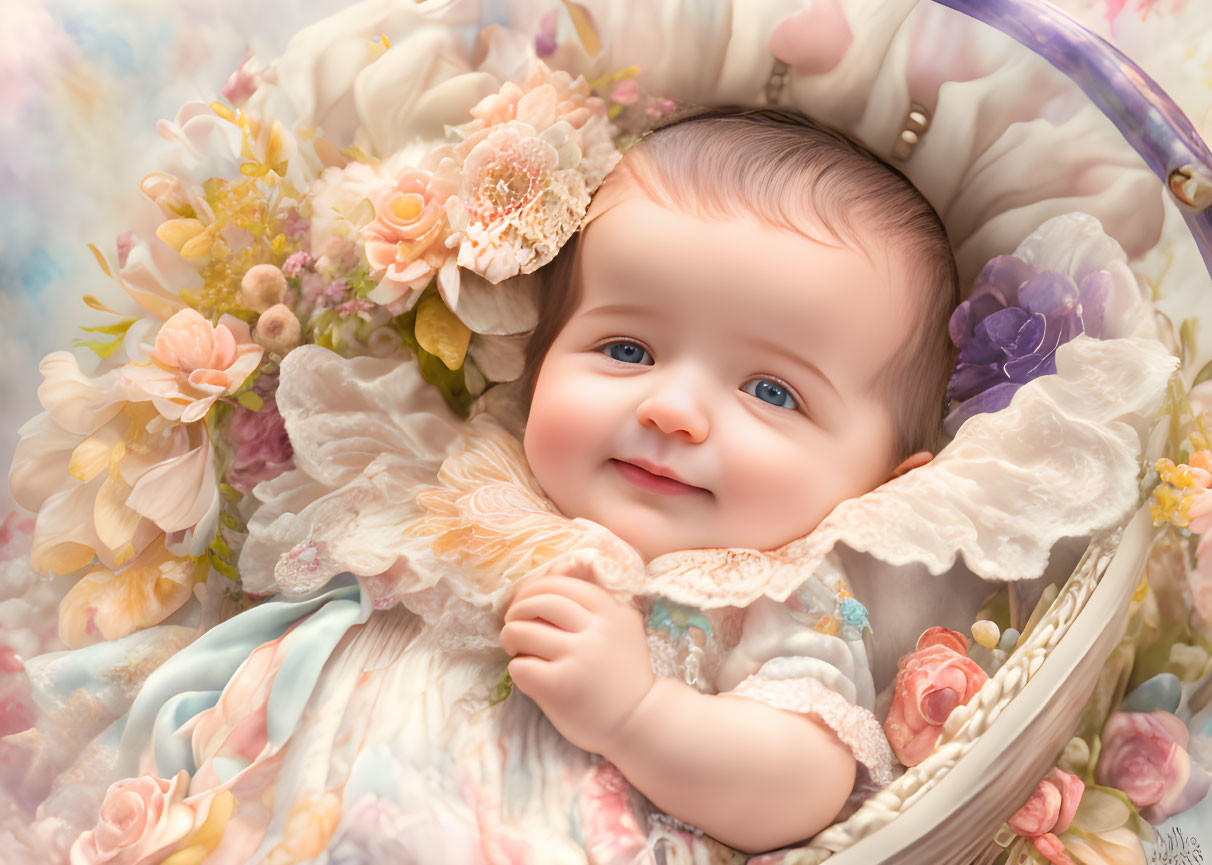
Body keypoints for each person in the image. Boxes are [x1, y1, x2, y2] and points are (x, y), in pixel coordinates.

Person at [69, 108, 961, 863]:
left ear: (884, 487)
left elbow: (801, 782)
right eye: (626, 349)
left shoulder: (783, 592)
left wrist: (637, 711)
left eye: (771, 391)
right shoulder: (478, 474)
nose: (675, 409)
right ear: (539, 358)